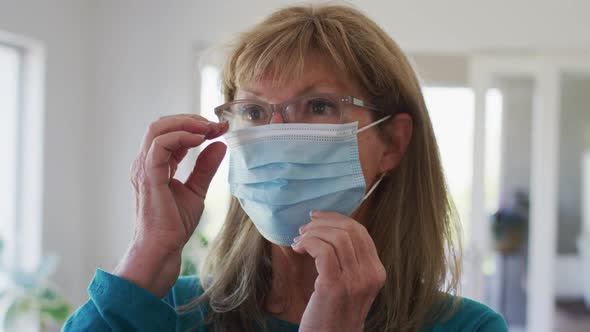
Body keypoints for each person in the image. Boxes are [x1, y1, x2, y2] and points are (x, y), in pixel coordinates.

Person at [63, 4, 507, 332]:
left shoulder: (468, 328)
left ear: (392, 141)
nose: (276, 133)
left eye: (317, 106)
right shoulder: (167, 311)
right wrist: (149, 253)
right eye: (254, 112)